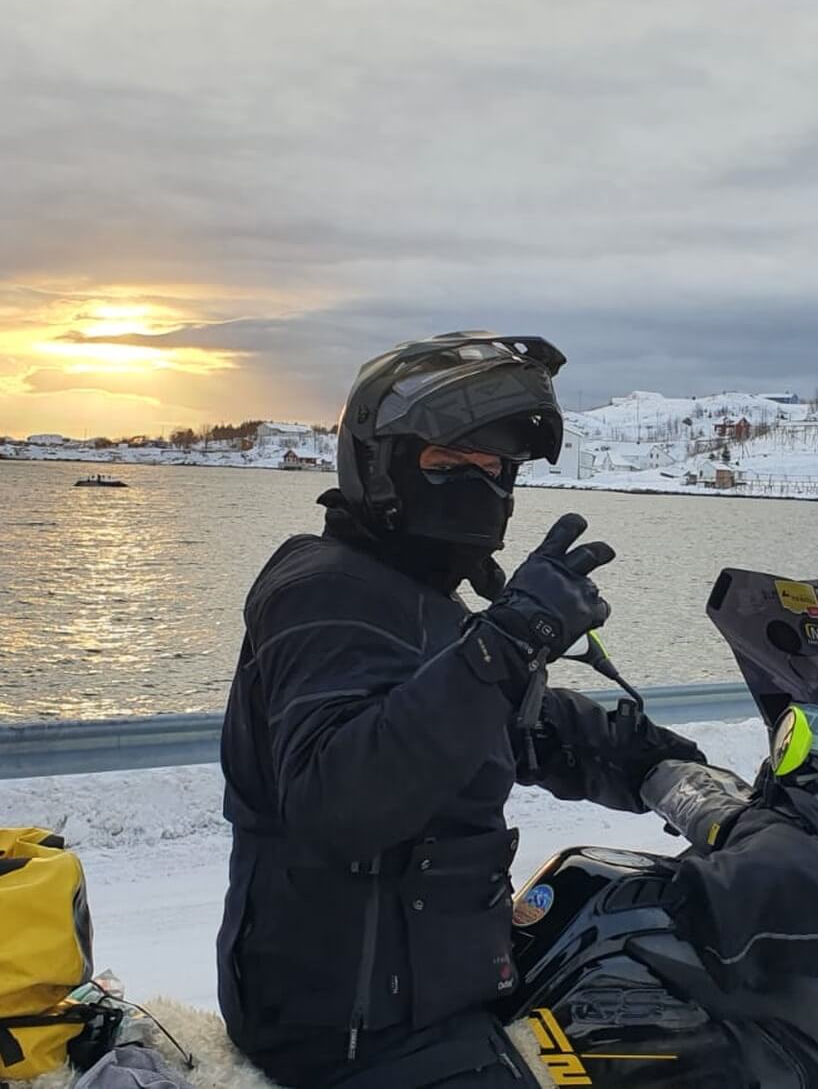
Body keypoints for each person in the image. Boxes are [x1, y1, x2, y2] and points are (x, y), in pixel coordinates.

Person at [217, 332, 704, 1088]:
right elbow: (338, 797)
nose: (478, 485)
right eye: (449, 465)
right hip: (346, 1034)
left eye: (495, 468)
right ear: (381, 466)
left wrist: (656, 763)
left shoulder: (420, 601)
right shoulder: (321, 592)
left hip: (429, 995)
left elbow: (513, 723)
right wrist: (507, 640)